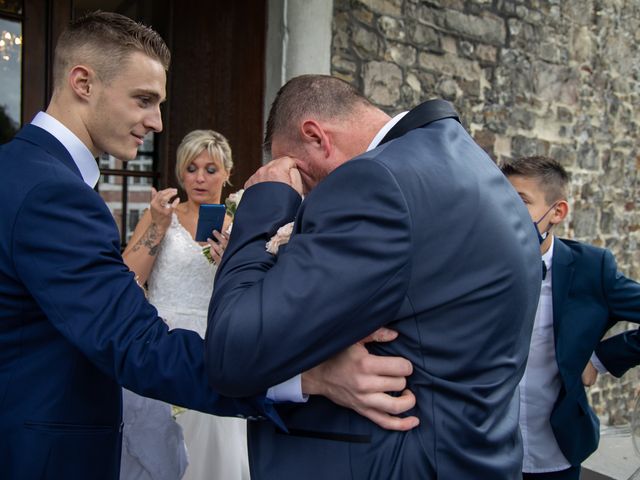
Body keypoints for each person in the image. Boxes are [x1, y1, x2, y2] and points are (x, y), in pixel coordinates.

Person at [0, 14, 420, 479]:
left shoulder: (23, 170)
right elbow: (133, 342)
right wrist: (302, 377)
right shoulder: (51, 192)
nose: (157, 122)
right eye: (144, 100)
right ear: (83, 82)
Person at [205, 74, 542, 479]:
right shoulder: (466, 164)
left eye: (299, 174)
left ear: (316, 137)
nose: (305, 195)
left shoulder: (376, 182)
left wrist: (265, 202)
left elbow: (233, 350)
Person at [500, 155, 640, 480]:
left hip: (557, 451)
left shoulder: (592, 269)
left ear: (557, 213)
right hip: (482, 450)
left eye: (520, 202)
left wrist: (603, 358)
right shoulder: (473, 265)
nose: (505, 212)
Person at [120, 129, 247, 480]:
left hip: (213, 345)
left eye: (211, 169)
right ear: (180, 173)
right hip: (159, 342)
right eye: (191, 168)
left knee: (213, 452)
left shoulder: (240, 224)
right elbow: (129, 279)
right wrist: (158, 226)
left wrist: (230, 261)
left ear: (227, 173)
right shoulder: (162, 216)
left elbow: (254, 292)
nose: (200, 178)